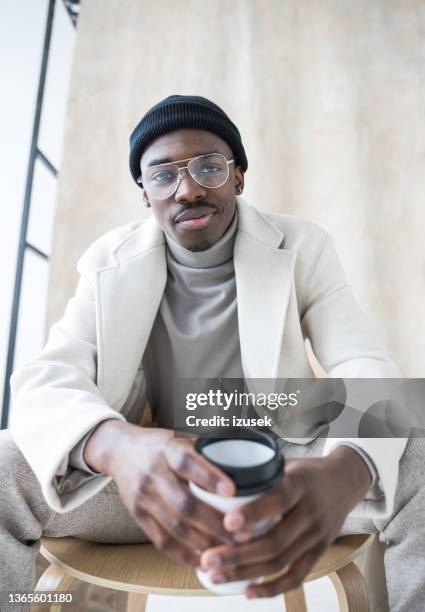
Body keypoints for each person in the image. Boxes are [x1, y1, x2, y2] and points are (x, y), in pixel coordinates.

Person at [1, 95, 423, 611]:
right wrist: (119, 446)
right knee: (4, 463)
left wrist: (349, 467)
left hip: (285, 477)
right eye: (163, 175)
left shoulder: (303, 245)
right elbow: (45, 380)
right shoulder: (107, 262)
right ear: (144, 193)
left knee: (417, 451)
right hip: (155, 486)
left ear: (238, 177)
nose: (189, 189)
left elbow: (366, 366)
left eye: (208, 167)